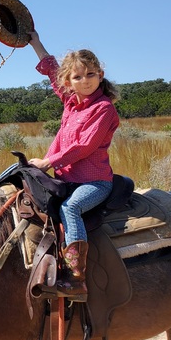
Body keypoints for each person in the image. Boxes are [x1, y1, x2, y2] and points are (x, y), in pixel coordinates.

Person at [26, 31, 120, 301]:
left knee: (71, 207)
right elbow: (51, 69)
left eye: (90, 74)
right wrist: (35, 42)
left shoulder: (103, 109)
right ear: (69, 81)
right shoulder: (70, 101)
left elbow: (85, 146)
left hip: (94, 182)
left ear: (100, 74)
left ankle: (76, 277)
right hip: (67, 179)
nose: (85, 81)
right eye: (78, 76)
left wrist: (48, 161)